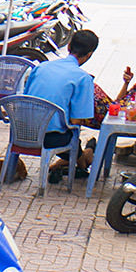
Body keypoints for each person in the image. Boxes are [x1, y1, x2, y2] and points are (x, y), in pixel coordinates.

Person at [21, 29, 98, 178]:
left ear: (68, 46)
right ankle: (87, 153)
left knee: (75, 148)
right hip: (51, 140)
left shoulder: (41, 67)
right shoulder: (83, 78)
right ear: (89, 54)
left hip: (23, 131)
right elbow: (76, 121)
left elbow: (26, 98)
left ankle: (80, 155)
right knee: (82, 157)